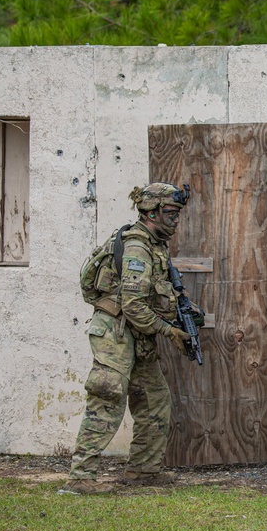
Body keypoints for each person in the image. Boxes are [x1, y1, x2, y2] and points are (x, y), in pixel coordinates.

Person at [62, 182, 195, 494]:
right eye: (170, 213)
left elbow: (153, 296)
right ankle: (80, 478)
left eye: (177, 214)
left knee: (154, 400)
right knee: (107, 397)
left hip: (138, 335)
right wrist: (168, 330)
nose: (175, 220)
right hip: (116, 332)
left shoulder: (154, 245)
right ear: (151, 213)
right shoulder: (137, 246)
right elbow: (132, 304)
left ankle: (143, 470)